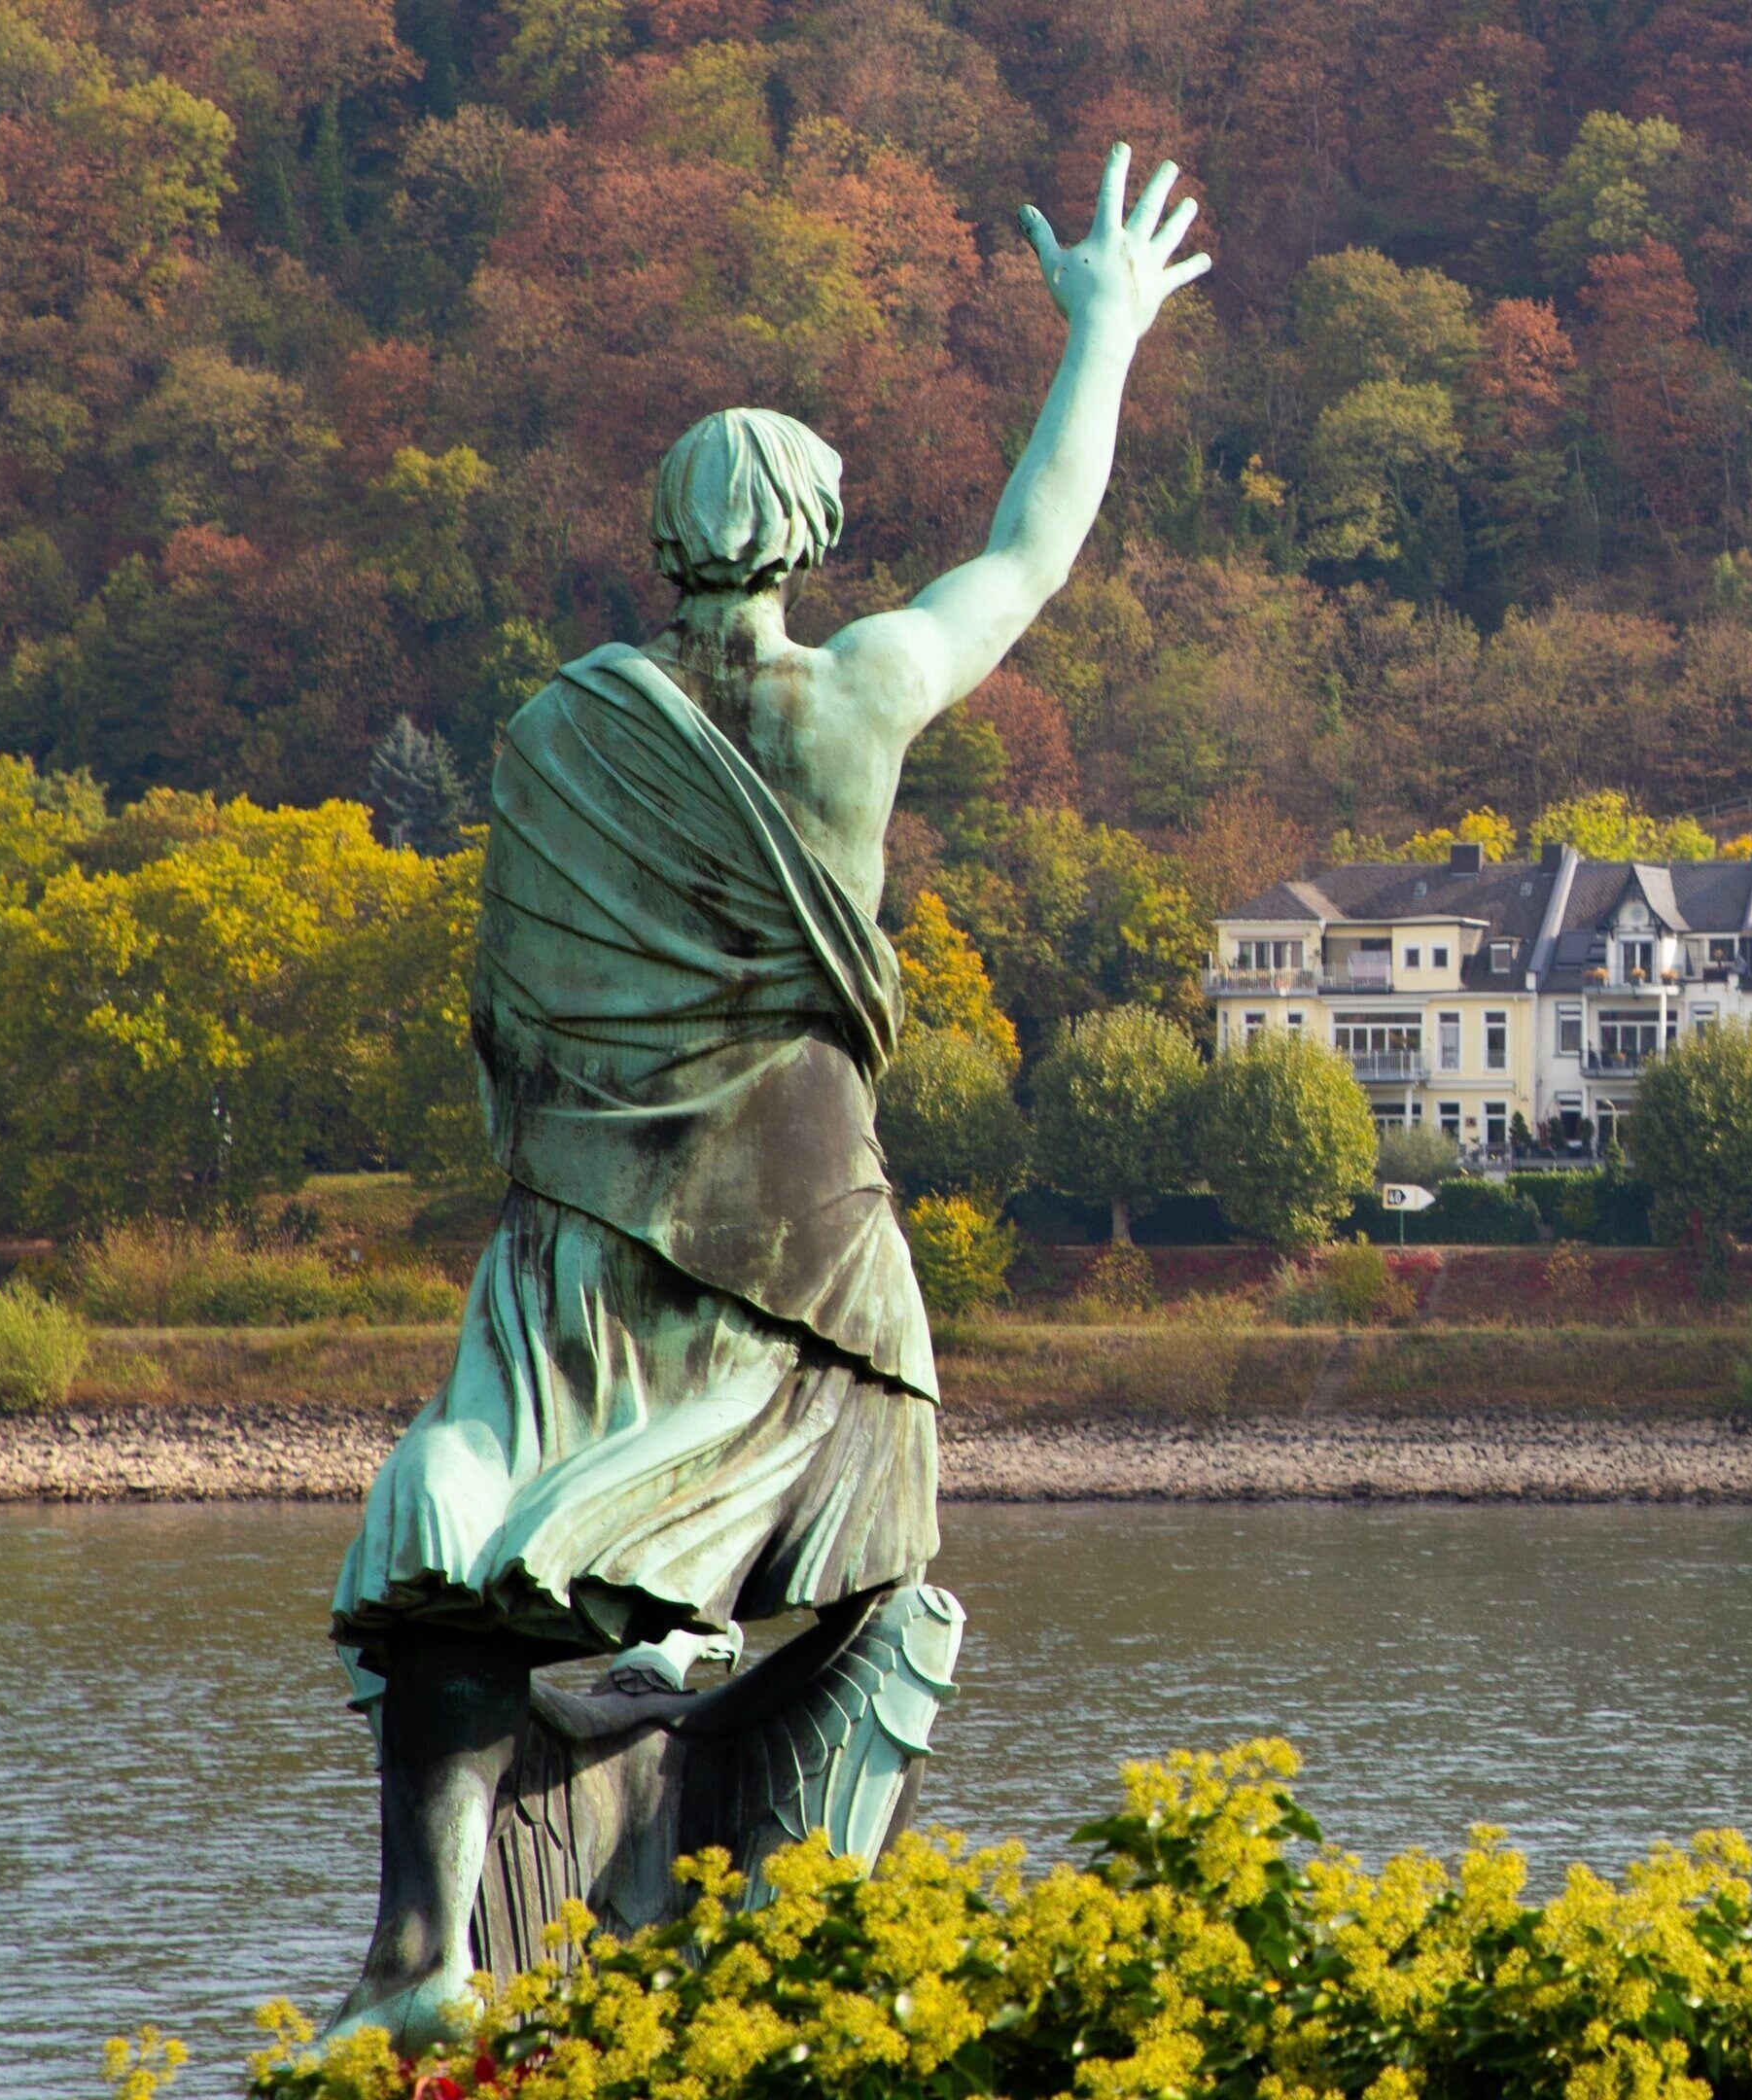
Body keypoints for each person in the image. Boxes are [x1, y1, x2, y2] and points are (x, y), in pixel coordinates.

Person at [322, 147, 1210, 2048]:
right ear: (805, 539)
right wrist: (1105, 329)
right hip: (807, 1227)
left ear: (665, 540)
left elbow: (510, 1011)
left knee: (478, 1527)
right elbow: (1031, 551)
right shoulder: (858, 693)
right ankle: (734, 1938)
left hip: (580, 1227)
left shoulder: (559, 726)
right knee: (861, 1582)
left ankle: (434, 1946)